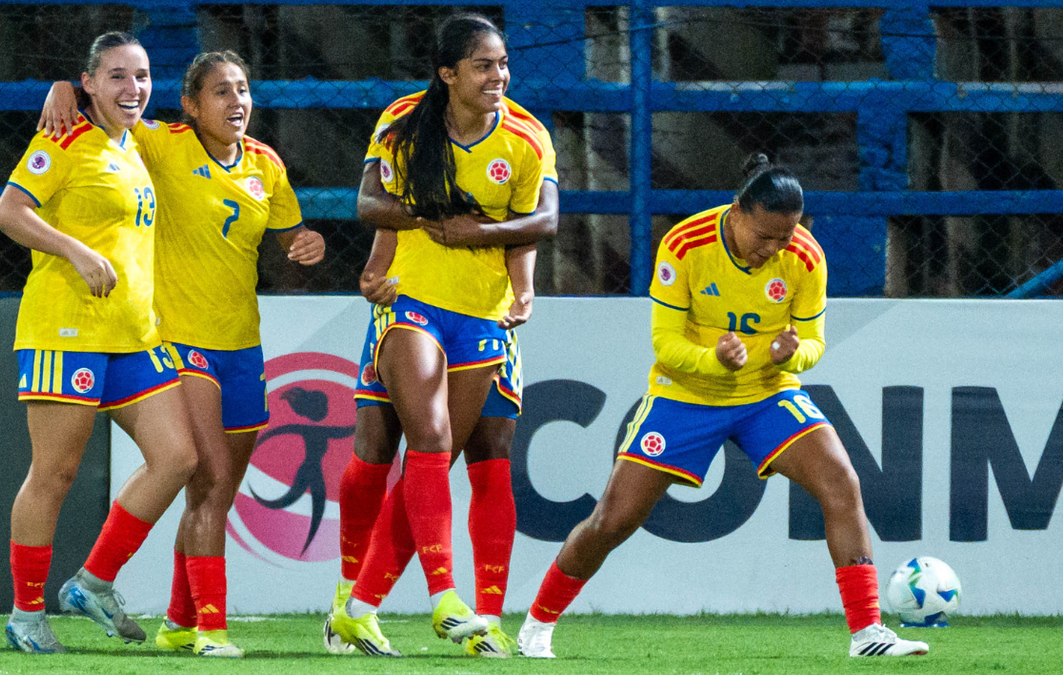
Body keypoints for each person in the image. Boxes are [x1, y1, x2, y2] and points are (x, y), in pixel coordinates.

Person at [516, 154, 930, 659]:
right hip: (685, 395)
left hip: (767, 393)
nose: (775, 248)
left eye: (787, 236)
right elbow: (665, 344)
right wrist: (713, 360)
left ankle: (867, 634)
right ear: (737, 212)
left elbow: (814, 342)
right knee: (614, 520)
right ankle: (536, 626)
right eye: (765, 237)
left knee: (841, 481)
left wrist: (792, 353)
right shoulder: (686, 245)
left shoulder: (805, 256)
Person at [38, 50, 326, 658]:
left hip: (242, 347)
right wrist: (64, 87)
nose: (236, 102)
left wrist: (308, 243)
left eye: (243, 89)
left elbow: (288, 235)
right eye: (220, 93)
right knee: (209, 473)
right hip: (179, 342)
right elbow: (107, 109)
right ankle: (211, 631)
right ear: (191, 107)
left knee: (215, 494)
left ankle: (175, 621)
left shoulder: (266, 166)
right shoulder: (164, 144)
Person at [325, 13, 554, 657]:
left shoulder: (526, 138)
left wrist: (508, 268)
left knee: (455, 454)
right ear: (448, 74)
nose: (499, 75)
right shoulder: (404, 122)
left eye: (503, 63)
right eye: (484, 65)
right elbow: (369, 203)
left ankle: (361, 607)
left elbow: (542, 219)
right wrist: (428, 219)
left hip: (482, 313)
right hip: (411, 299)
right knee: (421, 437)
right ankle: (445, 601)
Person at [0, 32, 199, 655]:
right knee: (55, 473)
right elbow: (7, 212)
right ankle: (26, 614)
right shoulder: (62, 139)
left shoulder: (136, 145)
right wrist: (74, 250)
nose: (132, 89)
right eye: (115, 76)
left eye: (140, 76)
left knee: (177, 458)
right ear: (88, 83)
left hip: (134, 333)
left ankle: (93, 581)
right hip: (67, 330)